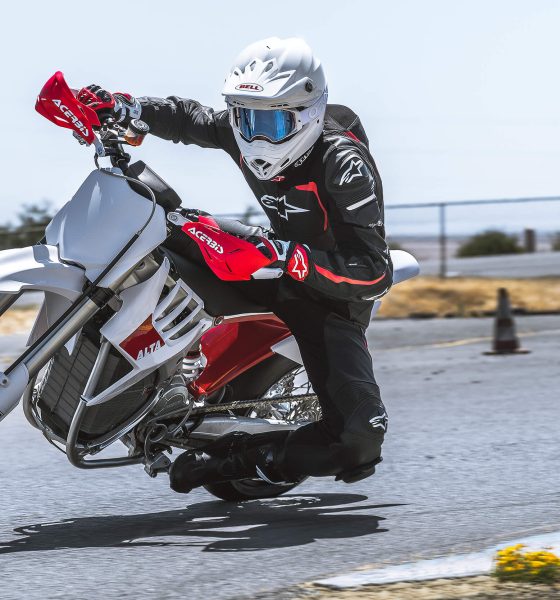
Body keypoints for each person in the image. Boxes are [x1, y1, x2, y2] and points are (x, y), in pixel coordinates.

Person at [78, 37, 393, 491]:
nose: (255, 136)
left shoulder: (343, 163)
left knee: (360, 438)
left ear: (308, 113)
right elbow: (190, 118)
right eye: (245, 117)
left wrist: (286, 256)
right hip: (266, 259)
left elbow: (373, 271)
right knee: (158, 223)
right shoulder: (244, 129)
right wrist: (127, 108)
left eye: (272, 121)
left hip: (327, 296)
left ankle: (226, 463)